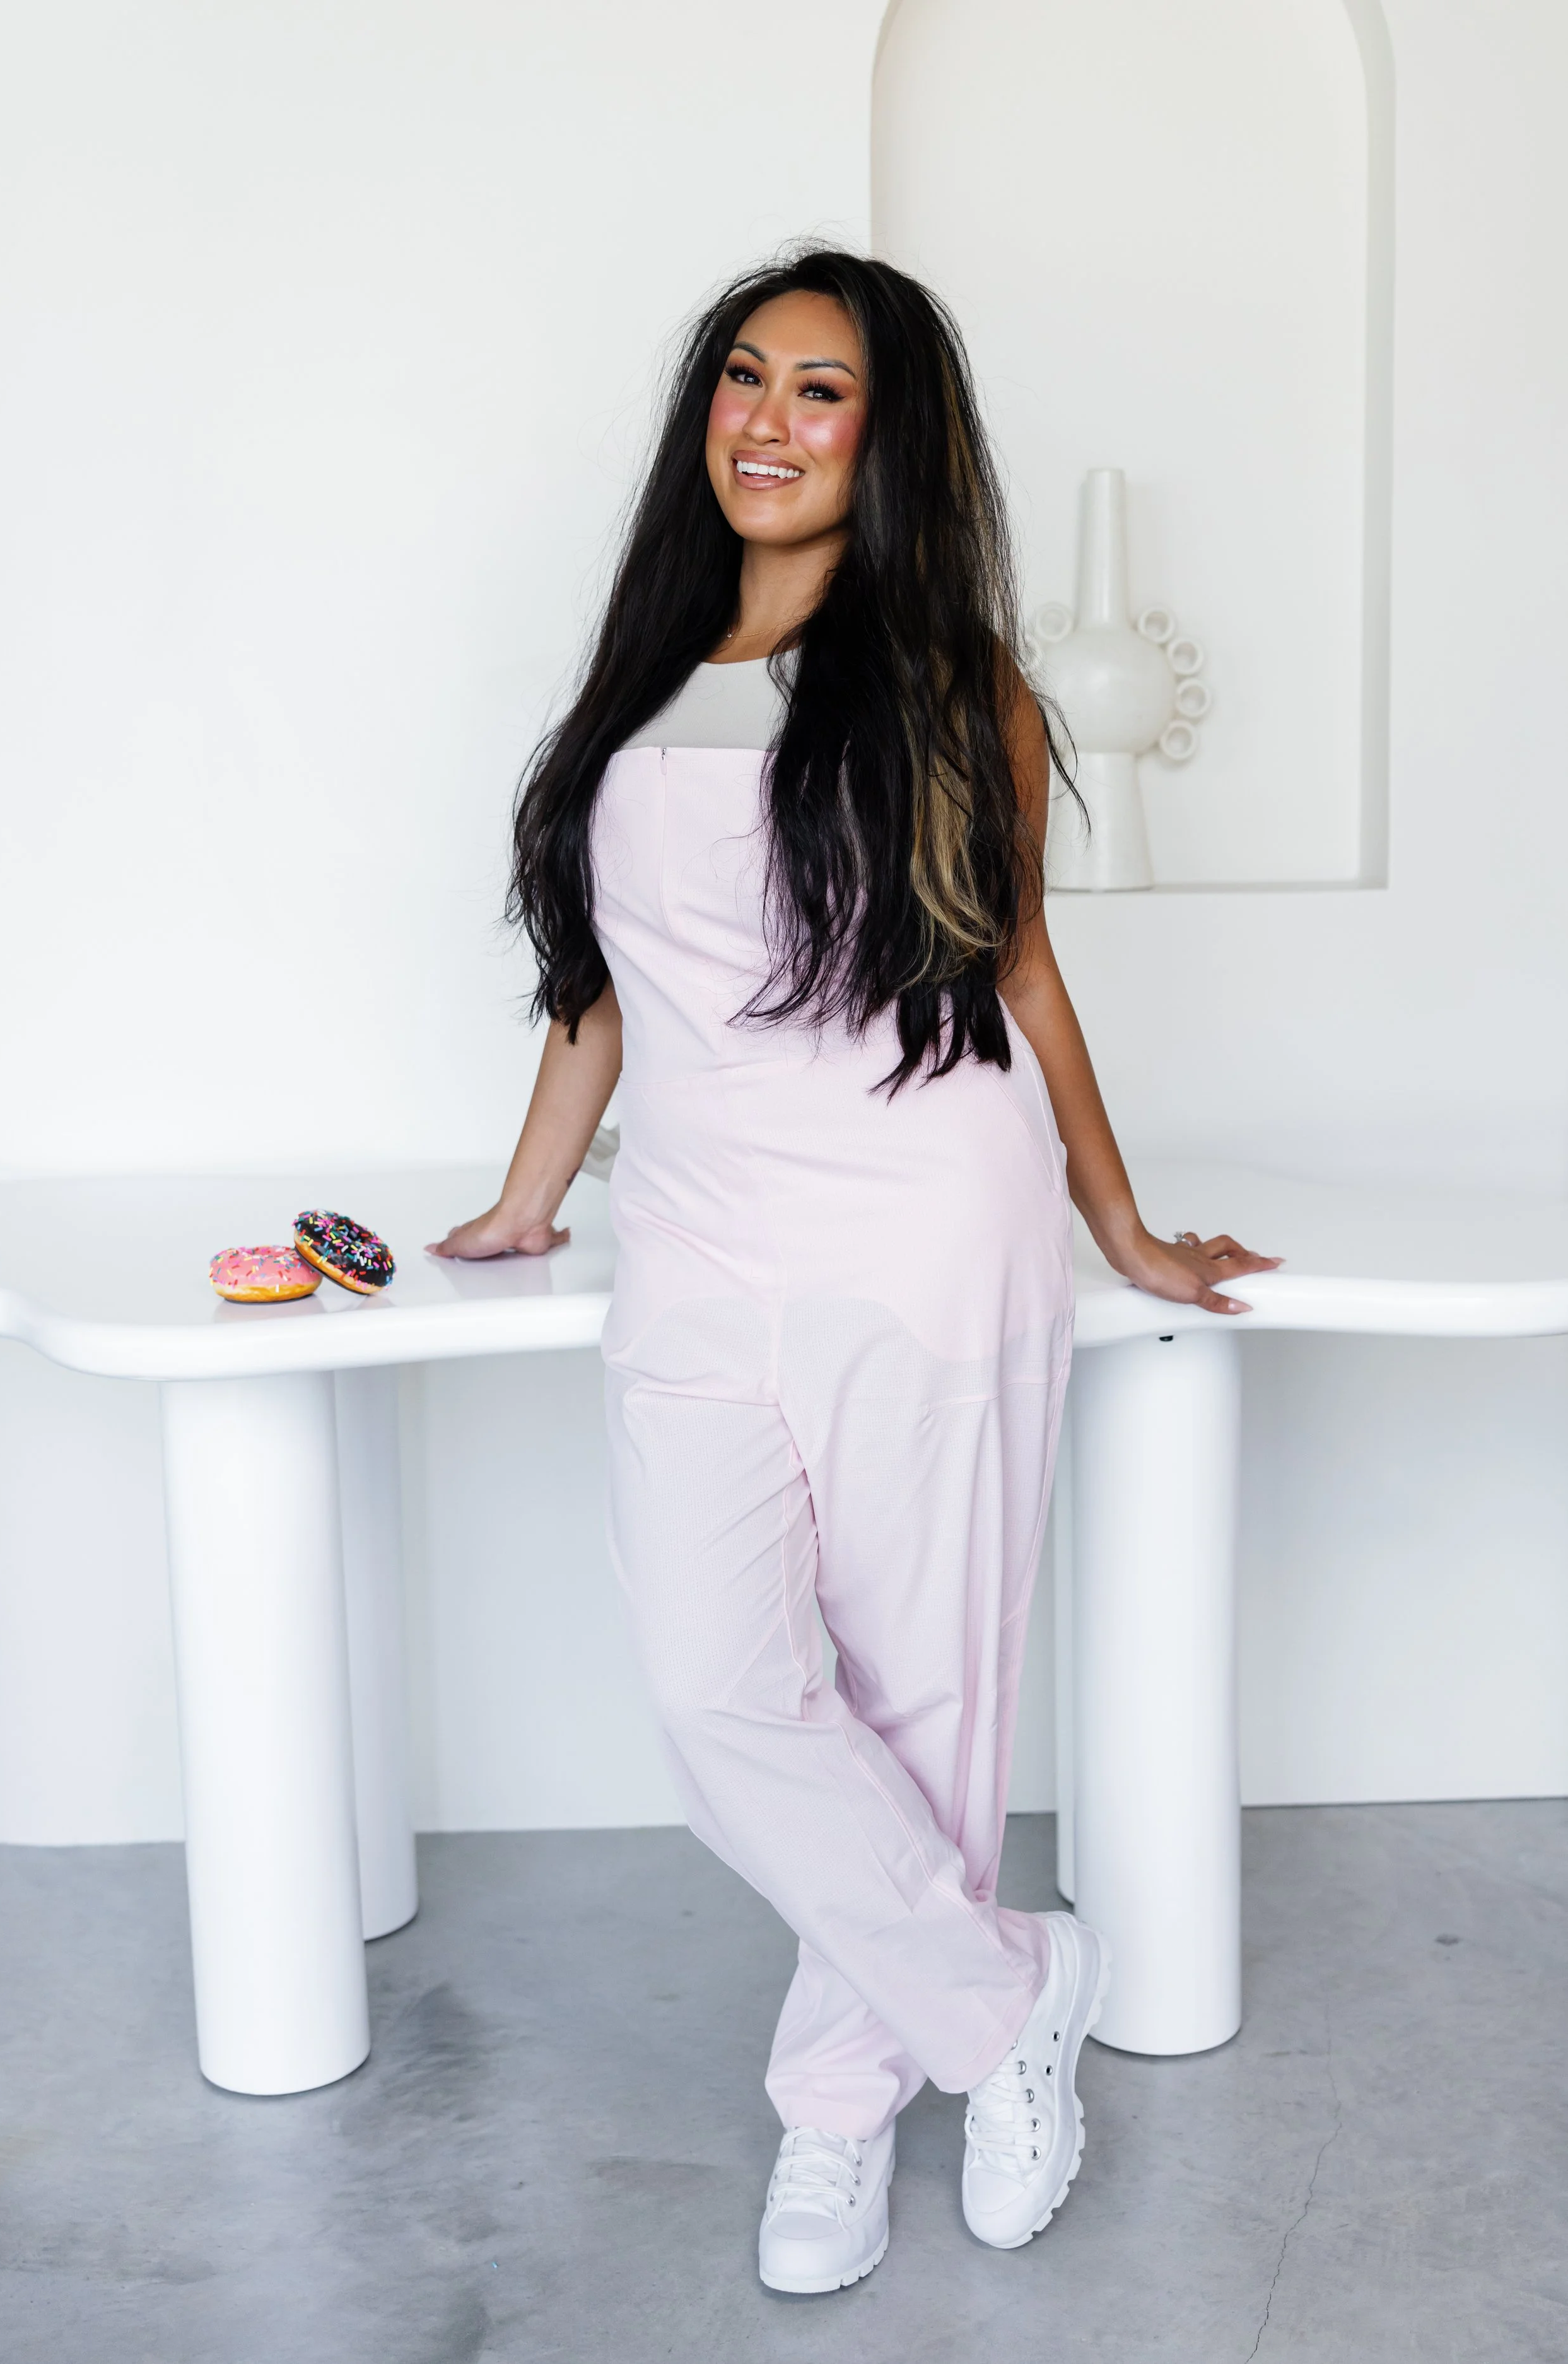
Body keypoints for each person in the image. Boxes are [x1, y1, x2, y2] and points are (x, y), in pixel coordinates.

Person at [430, 246, 1277, 2293]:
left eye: (822, 392)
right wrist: (530, 1197)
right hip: (699, 1240)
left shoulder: (943, 677)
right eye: (743, 378)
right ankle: (1007, 1996)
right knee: (721, 1687)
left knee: (918, 1690)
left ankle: (834, 2113)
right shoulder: (644, 667)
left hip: (922, 1222)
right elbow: (600, 988)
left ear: (889, 445)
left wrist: (1118, 1219)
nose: (768, 421)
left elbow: (1018, 970)